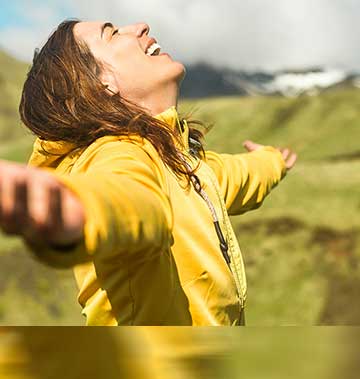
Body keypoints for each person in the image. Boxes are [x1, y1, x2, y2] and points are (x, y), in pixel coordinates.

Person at [0, 19, 297, 326]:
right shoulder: (119, 151)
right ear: (101, 84)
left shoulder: (181, 162)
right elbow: (127, 197)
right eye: (112, 34)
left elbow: (234, 175)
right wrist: (74, 209)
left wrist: (272, 161)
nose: (140, 26)